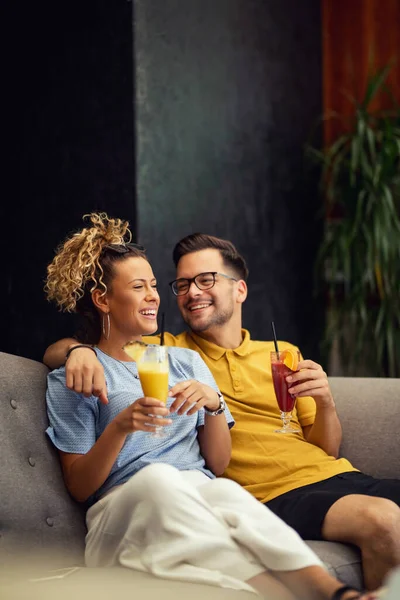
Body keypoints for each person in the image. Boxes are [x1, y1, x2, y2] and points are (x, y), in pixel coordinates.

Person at [43, 218, 383, 600]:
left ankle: (336, 593)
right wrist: (118, 424)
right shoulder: (76, 375)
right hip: (123, 510)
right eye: (139, 287)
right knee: (162, 480)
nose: (155, 296)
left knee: (227, 492)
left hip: (197, 495)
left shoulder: (183, 361)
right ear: (103, 299)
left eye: (155, 286)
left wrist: (215, 404)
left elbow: (218, 465)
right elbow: (78, 486)